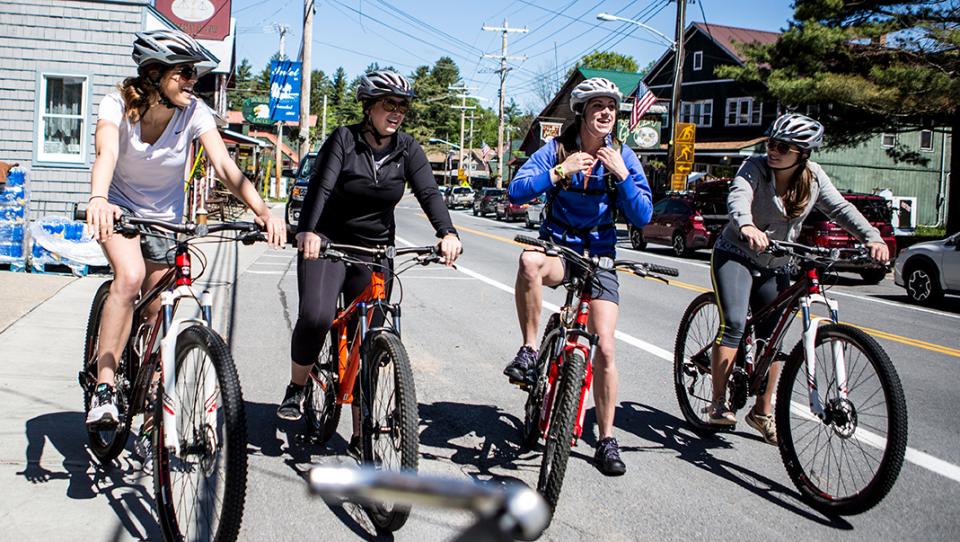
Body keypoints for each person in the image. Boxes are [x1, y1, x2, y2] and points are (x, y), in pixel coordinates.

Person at [84, 30, 284, 442]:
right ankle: (104, 385)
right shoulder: (116, 103)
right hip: (120, 208)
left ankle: (148, 378)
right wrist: (99, 198)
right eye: (185, 72)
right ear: (154, 73)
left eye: (195, 73)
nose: (193, 80)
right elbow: (106, 153)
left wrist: (263, 212)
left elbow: (227, 168)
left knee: (161, 306)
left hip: (166, 218)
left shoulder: (194, 112)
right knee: (130, 276)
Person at [278, 70, 462, 456]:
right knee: (316, 315)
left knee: (372, 342)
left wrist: (447, 232)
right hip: (327, 241)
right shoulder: (344, 140)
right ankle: (297, 386)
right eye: (388, 105)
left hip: (375, 249)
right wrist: (308, 230)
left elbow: (428, 191)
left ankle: (362, 433)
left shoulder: (408, 149)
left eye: (402, 107)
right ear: (369, 107)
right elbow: (321, 187)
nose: (396, 113)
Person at [707, 113, 890, 444]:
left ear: (803, 153)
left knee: (773, 338)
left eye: (783, 147)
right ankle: (718, 402)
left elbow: (841, 209)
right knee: (734, 324)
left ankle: (761, 412)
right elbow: (738, 197)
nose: (773, 151)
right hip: (736, 253)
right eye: (771, 143)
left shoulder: (814, 178)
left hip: (778, 260)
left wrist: (871, 237)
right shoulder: (755, 167)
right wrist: (746, 226)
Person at [503, 77, 653, 476]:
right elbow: (516, 192)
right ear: (583, 113)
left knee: (604, 347)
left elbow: (644, 217)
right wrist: (558, 171)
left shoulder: (624, 156)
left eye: (612, 107)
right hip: (560, 250)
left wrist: (622, 176)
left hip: (600, 256)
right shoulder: (556, 149)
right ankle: (531, 350)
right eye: (598, 106)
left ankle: (606, 438)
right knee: (529, 261)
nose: (606, 113)